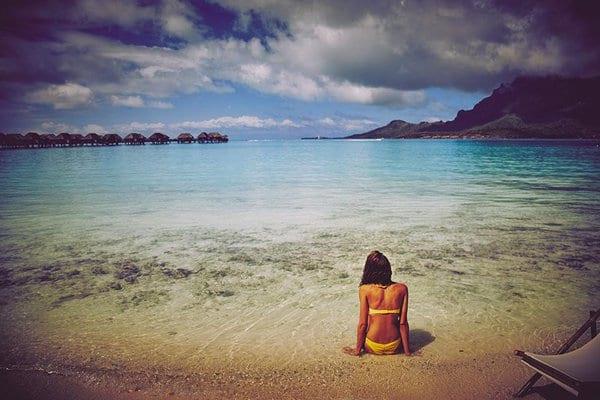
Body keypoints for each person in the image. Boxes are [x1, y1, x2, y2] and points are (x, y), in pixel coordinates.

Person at [343, 251, 410, 356]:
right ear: (388, 269)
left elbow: (362, 324)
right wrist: (407, 352)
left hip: (372, 346)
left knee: (372, 317)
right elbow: (403, 323)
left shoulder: (365, 289)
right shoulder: (402, 289)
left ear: (369, 270)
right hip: (394, 346)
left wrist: (357, 350)